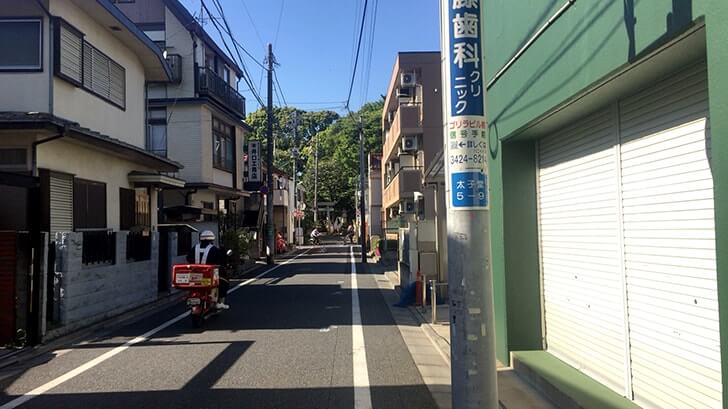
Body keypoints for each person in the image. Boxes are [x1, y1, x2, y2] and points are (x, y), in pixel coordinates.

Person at [187, 230, 229, 309]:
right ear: (212, 239)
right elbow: (221, 261)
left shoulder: (194, 247)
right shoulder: (214, 249)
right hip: (209, 275)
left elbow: (188, 258)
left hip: (195, 275)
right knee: (224, 283)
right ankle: (220, 303)